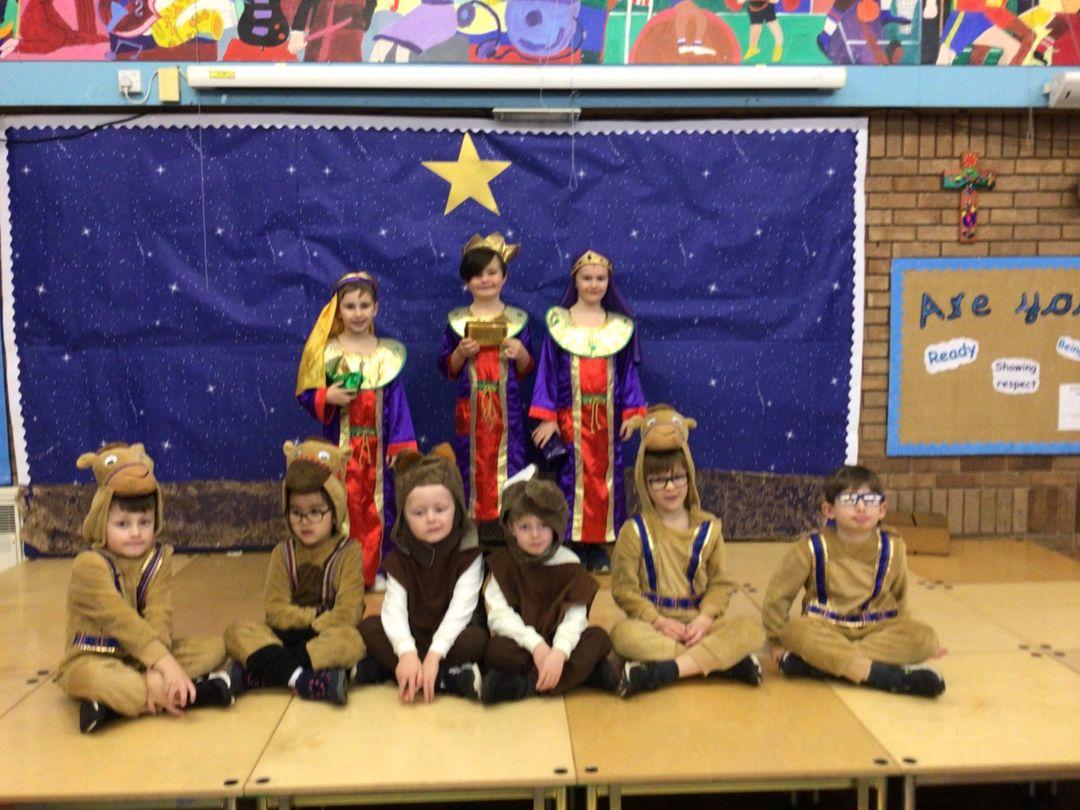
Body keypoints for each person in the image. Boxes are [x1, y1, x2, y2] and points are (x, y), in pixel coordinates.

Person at [57, 443, 236, 733]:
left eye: (144, 522)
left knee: (215, 648)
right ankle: (196, 694)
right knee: (98, 678)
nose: (136, 533)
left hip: (144, 657)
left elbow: (159, 614)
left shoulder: (158, 559)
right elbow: (122, 621)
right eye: (123, 524)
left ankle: (115, 706)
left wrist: (157, 667)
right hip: (94, 659)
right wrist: (166, 665)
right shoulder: (88, 565)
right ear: (102, 522)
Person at [610, 405, 765, 697]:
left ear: (689, 477)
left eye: (678, 477)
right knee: (622, 636)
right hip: (654, 624)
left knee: (751, 630)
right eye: (659, 480)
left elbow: (721, 584)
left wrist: (705, 618)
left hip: (699, 623)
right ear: (645, 483)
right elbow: (623, 589)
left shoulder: (709, 528)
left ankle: (666, 670)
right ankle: (719, 663)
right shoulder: (634, 531)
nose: (670, 487)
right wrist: (657, 620)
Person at [763, 464, 946, 698]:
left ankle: (823, 665)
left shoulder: (893, 547)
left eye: (869, 500)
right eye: (849, 500)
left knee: (925, 638)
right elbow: (777, 597)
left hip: (876, 629)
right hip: (825, 627)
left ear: (882, 509)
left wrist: (910, 639)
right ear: (829, 510)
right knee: (794, 631)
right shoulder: (810, 548)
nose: (861, 507)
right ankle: (881, 676)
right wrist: (776, 642)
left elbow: (900, 597)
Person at [296, 270, 418, 591]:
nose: (358, 313)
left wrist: (399, 446)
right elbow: (306, 394)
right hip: (341, 450)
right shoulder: (326, 352)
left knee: (380, 509)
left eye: (365, 305)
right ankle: (342, 571)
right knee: (341, 505)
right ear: (338, 310)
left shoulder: (387, 355)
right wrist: (327, 397)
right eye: (350, 306)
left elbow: (398, 403)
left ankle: (377, 569)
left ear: (376, 308)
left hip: (377, 453)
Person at [529, 249, 646, 573]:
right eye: (587, 278)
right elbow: (547, 372)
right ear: (575, 281)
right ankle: (571, 542)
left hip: (606, 424)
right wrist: (548, 417)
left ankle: (597, 545)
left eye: (600, 278)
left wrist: (632, 413)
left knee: (605, 483)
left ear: (608, 282)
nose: (594, 284)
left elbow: (627, 374)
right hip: (570, 422)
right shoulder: (560, 324)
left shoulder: (619, 327)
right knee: (570, 481)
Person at [225, 439, 365, 706]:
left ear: (335, 509)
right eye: (296, 513)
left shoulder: (349, 552)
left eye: (315, 512)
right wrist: (314, 616)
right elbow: (275, 611)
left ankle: (263, 673)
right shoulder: (282, 552)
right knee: (236, 633)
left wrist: (314, 625)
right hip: (285, 634)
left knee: (352, 642)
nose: (305, 521)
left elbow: (349, 612)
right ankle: (305, 679)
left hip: (325, 634)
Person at [355, 445, 488, 702]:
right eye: (419, 512)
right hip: (413, 633)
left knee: (478, 640)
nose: (431, 519)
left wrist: (435, 654)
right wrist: (406, 651)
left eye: (440, 509)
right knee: (369, 627)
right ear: (404, 517)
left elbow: (461, 609)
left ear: (456, 509)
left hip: (452, 636)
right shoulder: (400, 558)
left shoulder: (468, 554)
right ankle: (440, 678)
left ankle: (402, 672)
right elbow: (394, 609)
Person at [480, 467, 617, 704]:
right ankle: (585, 675)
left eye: (543, 525)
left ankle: (524, 686)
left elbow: (575, 617)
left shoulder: (569, 562)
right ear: (511, 528)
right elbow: (498, 616)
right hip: (523, 644)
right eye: (525, 527)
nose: (535, 535)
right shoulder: (503, 563)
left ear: (555, 525)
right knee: (496, 650)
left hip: (560, 642)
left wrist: (559, 652)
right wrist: (536, 646)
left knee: (599, 639)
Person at [438, 233, 534, 546]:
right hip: (472, 416)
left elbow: (527, 369)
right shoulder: (457, 322)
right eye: (477, 274)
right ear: (467, 280)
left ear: (504, 276)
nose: (485, 279)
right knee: (471, 471)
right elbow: (447, 369)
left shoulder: (518, 321)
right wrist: (460, 353)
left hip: (508, 418)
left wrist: (521, 354)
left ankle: (512, 535)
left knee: (511, 468)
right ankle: (472, 537)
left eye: (492, 272)